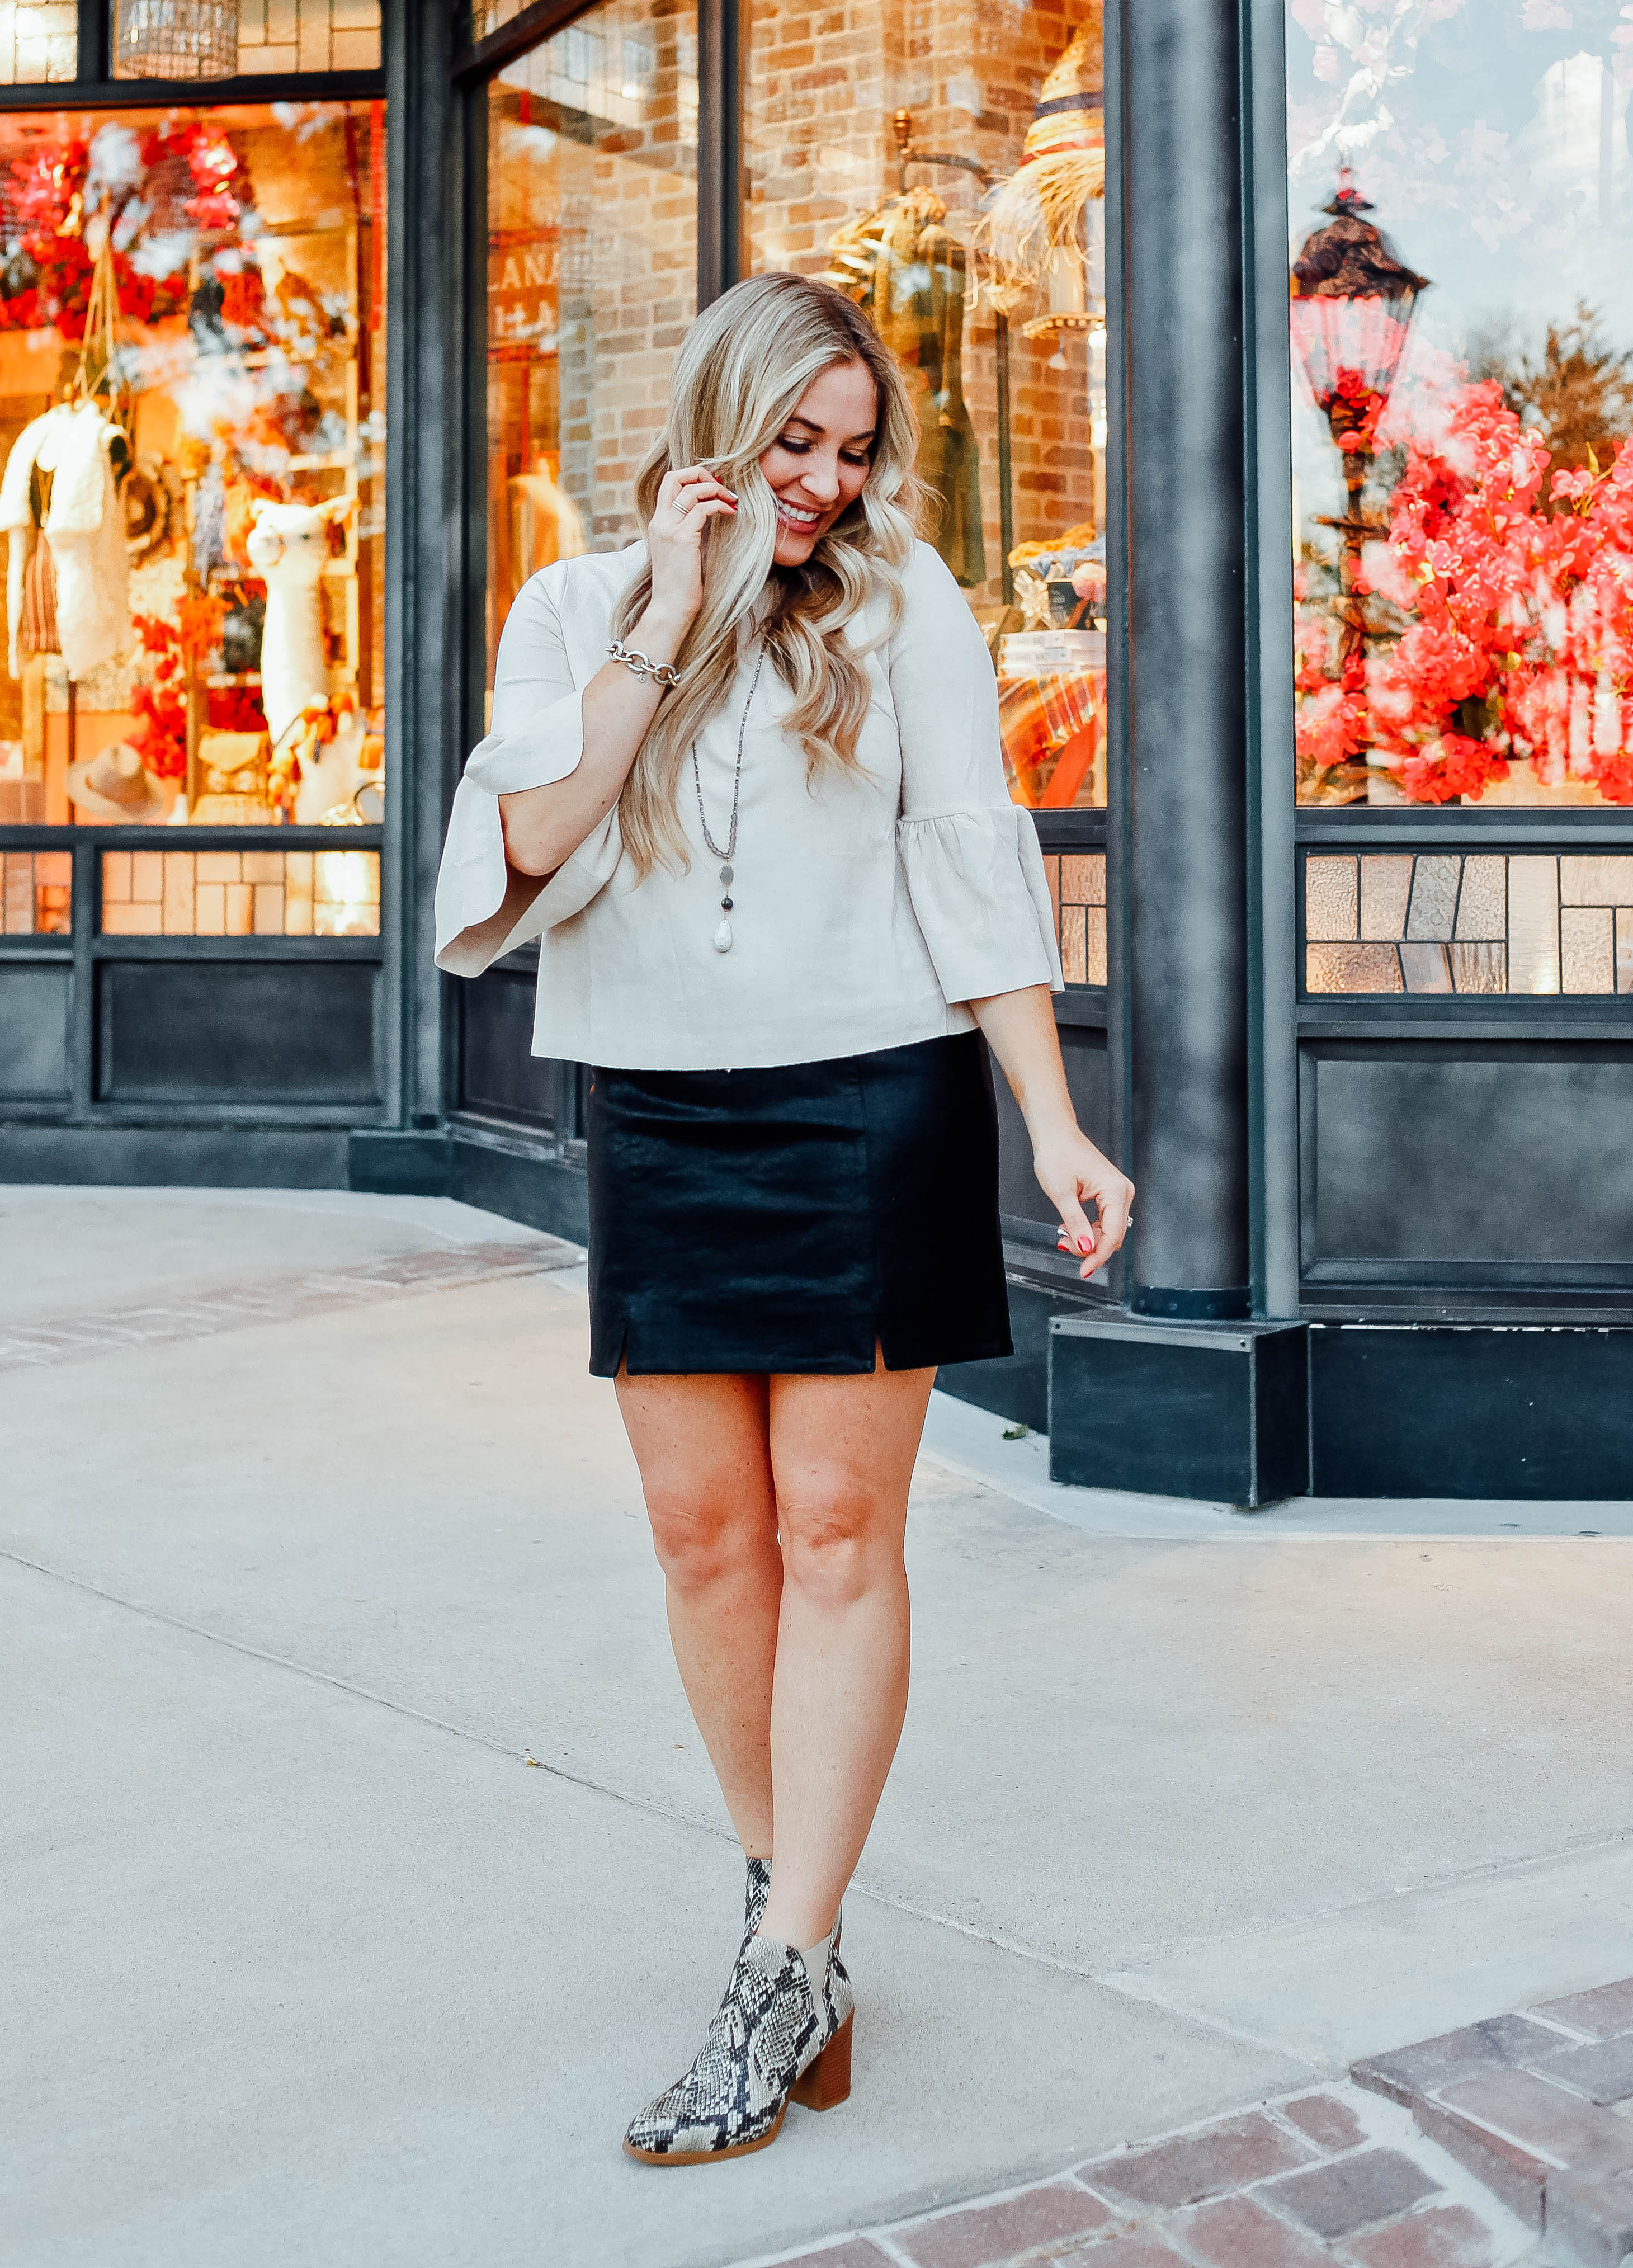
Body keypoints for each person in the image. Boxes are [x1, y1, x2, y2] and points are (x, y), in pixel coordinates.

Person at [436, 271, 1132, 2165]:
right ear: (719, 423)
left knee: (836, 1533)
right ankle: (785, 1902)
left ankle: (786, 1952)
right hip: (660, 1106)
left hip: (871, 1104)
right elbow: (529, 845)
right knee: (700, 1540)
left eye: (850, 449)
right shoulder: (577, 606)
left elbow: (973, 868)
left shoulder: (906, 608)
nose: (824, 484)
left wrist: (1054, 1126)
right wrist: (668, 615)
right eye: (792, 443)